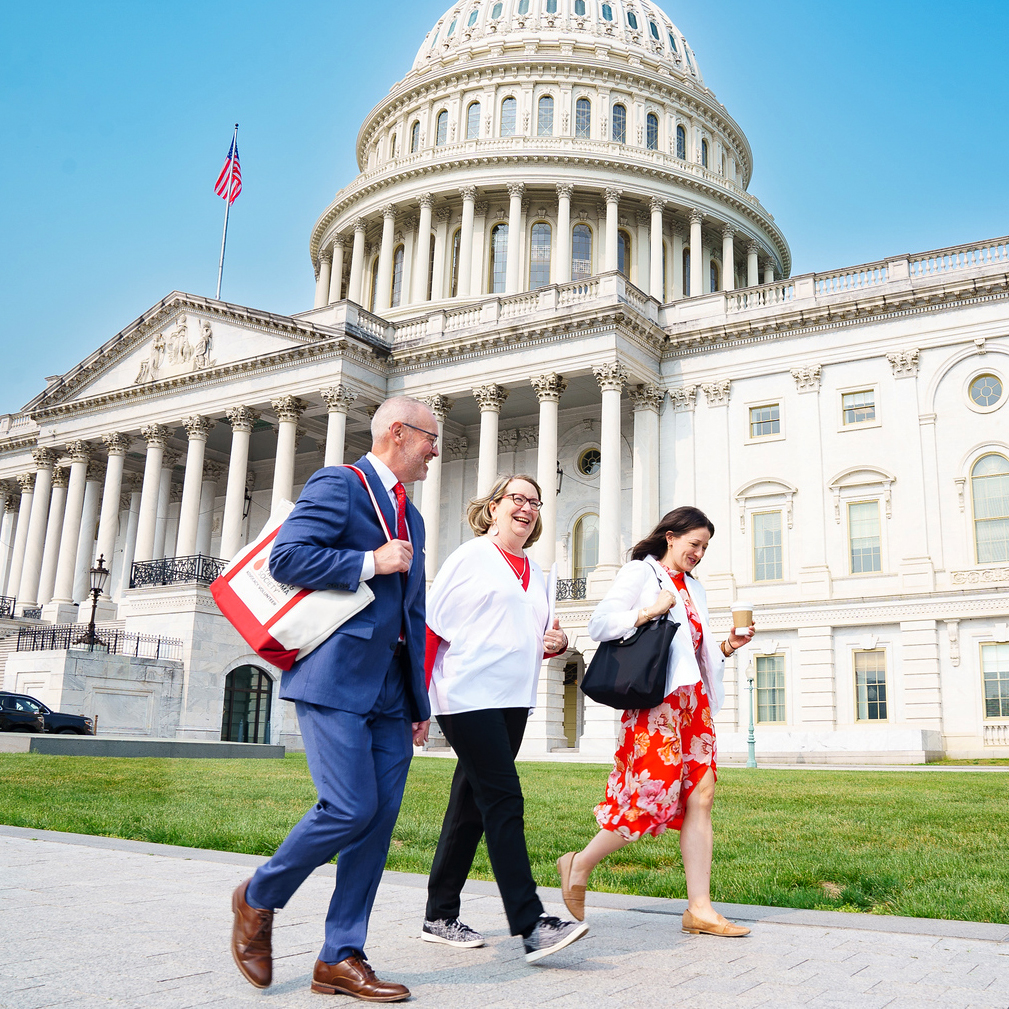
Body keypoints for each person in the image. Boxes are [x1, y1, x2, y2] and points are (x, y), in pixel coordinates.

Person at [230, 396, 437, 1002]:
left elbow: (413, 614)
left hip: (394, 693)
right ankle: (257, 896)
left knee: (375, 825)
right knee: (348, 807)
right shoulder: (340, 485)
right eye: (429, 438)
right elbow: (286, 558)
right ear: (399, 433)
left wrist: (419, 701)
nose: (434, 451)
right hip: (336, 677)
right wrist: (368, 561)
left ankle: (339, 956)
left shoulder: (415, 518)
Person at [557, 506, 755, 937]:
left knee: (701, 797)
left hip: (693, 705)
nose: (699, 553)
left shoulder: (696, 590)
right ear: (670, 537)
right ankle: (579, 862)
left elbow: (692, 657)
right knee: (649, 798)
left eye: (704, 547)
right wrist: (649, 610)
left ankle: (699, 909)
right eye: (693, 544)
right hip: (656, 708)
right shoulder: (640, 574)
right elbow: (599, 625)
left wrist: (727, 645)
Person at [421, 475, 589, 962]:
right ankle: (530, 921)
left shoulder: (540, 575)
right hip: (466, 694)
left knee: (470, 804)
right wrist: (417, 703)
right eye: (517, 499)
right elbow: (432, 629)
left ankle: (439, 914)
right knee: (503, 798)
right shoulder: (469, 558)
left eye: (534, 502)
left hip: (513, 698)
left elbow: (535, 635)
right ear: (493, 507)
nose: (527, 508)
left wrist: (553, 643)